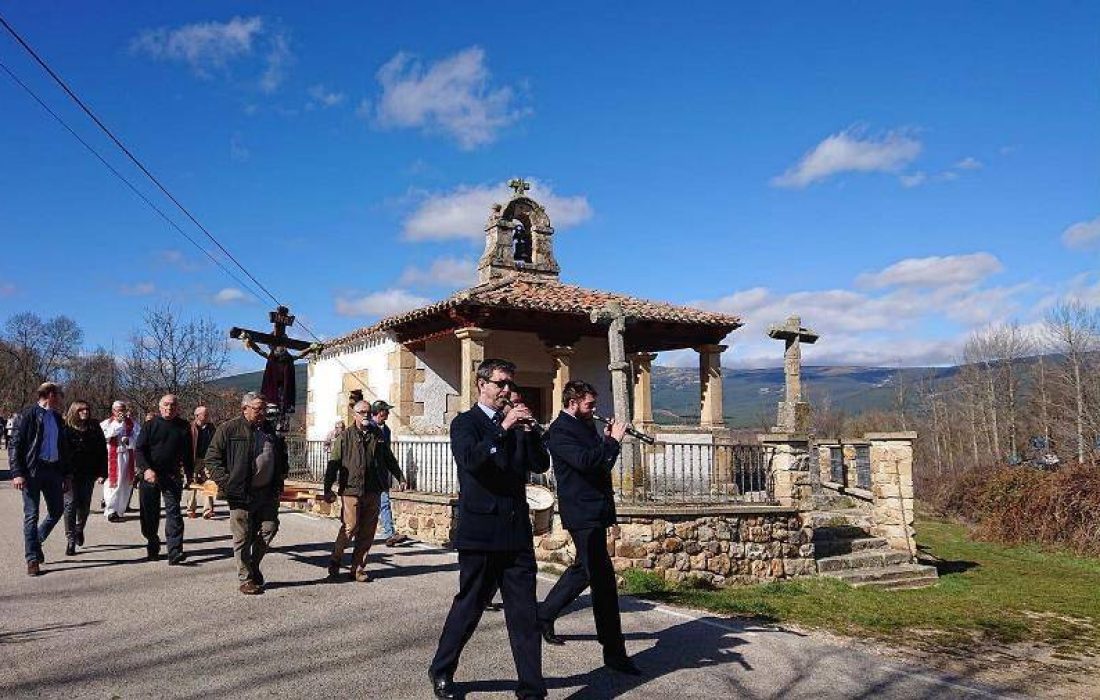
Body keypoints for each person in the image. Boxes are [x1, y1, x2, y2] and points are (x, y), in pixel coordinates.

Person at [428, 359, 551, 700]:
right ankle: (441, 669)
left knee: (525, 614)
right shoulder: (465, 424)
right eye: (501, 384)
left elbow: (540, 464)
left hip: (515, 533)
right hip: (481, 532)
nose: (508, 390)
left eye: (511, 384)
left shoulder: (515, 426)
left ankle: (531, 690)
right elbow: (471, 461)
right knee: (469, 607)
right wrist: (504, 427)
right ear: (482, 384)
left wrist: (529, 432)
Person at [536, 380, 639, 675]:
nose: (594, 410)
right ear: (572, 403)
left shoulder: (583, 425)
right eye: (589, 405)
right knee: (604, 583)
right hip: (581, 513)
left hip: (596, 509)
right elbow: (586, 463)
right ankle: (614, 652)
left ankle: (543, 614)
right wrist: (612, 441)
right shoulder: (560, 431)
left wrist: (607, 440)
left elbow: (601, 464)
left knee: (584, 569)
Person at [205, 392, 289, 595]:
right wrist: (227, 483)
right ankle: (245, 578)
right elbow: (212, 459)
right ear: (245, 409)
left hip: (267, 492)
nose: (262, 413)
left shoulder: (270, 431)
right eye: (258, 408)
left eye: (264, 409)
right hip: (240, 492)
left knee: (269, 528)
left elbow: (281, 456)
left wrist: (280, 475)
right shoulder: (229, 429)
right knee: (242, 536)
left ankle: (252, 565)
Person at [323, 400, 406, 582]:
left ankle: (358, 568)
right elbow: (333, 464)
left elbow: (389, 458)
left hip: (373, 489)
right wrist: (327, 488)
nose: (366, 415)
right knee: (350, 527)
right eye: (362, 412)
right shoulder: (345, 437)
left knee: (368, 531)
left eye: (368, 412)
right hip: (351, 489)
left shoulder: (378, 435)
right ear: (355, 415)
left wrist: (399, 476)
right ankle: (336, 559)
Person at [10, 382, 72, 576]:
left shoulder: (57, 418)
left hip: (53, 470)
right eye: (59, 394)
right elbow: (15, 445)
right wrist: (17, 473)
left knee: (57, 510)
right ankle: (32, 559)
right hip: (32, 472)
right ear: (50, 394)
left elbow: (63, 449)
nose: (61, 398)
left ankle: (36, 541)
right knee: (32, 515)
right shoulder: (28, 415)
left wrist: (66, 474)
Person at [135, 394, 193, 564]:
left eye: (173, 405)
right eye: (166, 405)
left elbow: (188, 453)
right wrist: (146, 469)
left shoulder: (183, 427)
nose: (169, 408)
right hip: (150, 475)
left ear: (178, 408)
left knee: (174, 513)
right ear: (160, 407)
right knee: (149, 514)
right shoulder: (150, 425)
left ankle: (174, 551)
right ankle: (152, 542)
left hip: (172, 475)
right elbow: (139, 450)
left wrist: (190, 474)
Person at [62, 400, 107, 556]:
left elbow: (102, 450)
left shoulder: (94, 426)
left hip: (88, 472)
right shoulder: (65, 428)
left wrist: (102, 472)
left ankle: (79, 528)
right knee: (70, 505)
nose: (85, 412)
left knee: (84, 506)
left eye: (87, 409)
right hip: (70, 473)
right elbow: (60, 452)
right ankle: (70, 539)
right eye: (81, 410)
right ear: (74, 411)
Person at [370, 400, 409, 547]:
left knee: (385, 503)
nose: (388, 413)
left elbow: (388, 456)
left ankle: (389, 534)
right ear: (379, 412)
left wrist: (400, 477)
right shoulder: (368, 429)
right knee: (367, 507)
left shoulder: (386, 430)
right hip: (368, 477)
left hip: (381, 475)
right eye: (386, 411)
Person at [101, 401, 139, 522]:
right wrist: (118, 424)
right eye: (118, 410)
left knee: (125, 484)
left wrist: (129, 440)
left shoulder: (132, 423)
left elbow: (138, 437)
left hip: (127, 455)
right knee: (113, 484)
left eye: (122, 409)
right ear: (113, 411)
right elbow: (105, 436)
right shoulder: (107, 423)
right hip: (112, 457)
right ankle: (111, 510)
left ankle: (120, 510)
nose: (120, 412)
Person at [185, 406, 217, 519]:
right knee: (193, 483)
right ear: (197, 416)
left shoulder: (211, 428)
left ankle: (208, 510)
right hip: (193, 459)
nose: (207, 416)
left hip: (208, 459)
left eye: (207, 414)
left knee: (209, 482)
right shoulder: (190, 428)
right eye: (205, 414)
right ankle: (190, 509)